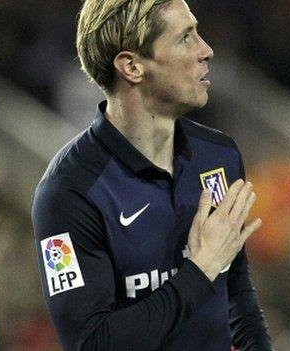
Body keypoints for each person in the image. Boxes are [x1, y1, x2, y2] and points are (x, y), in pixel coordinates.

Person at [31, 0, 273, 349]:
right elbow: (92, 342)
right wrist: (199, 270)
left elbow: (236, 296)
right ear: (131, 67)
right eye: (185, 38)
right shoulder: (67, 193)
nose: (207, 50)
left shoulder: (219, 157)